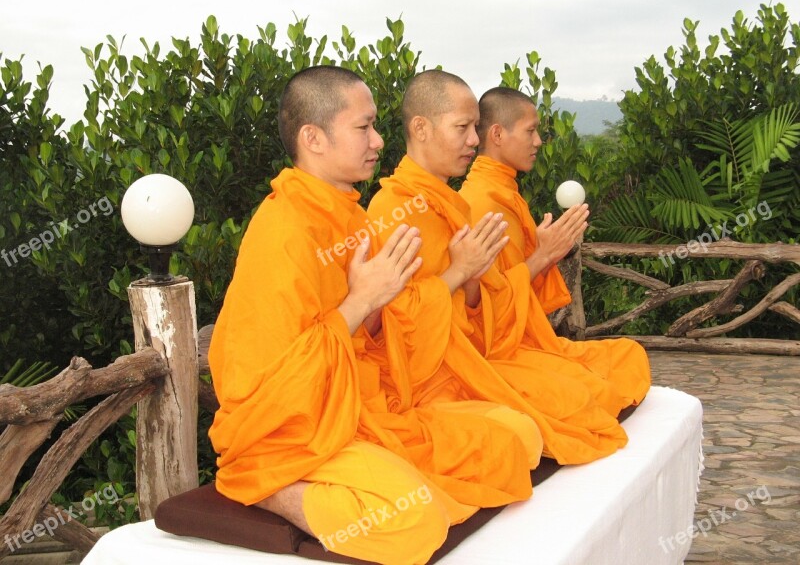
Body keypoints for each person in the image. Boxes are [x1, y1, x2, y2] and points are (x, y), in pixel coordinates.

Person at [207, 66, 536, 565]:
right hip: (291, 434)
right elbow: (262, 384)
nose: (379, 141)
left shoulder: (352, 217)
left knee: (513, 446)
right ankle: (266, 487)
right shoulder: (284, 232)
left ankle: (379, 473)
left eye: (375, 126)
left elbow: (391, 341)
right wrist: (363, 301)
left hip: (367, 409)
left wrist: (395, 299)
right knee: (414, 521)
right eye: (363, 128)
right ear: (313, 138)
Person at [367, 70, 629, 466]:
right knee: (543, 423)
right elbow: (400, 329)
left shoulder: (452, 204)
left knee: (604, 379)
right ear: (420, 128)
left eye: (475, 127)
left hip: (472, 360)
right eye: (463, 128)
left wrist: (474, 276)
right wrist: (466, 272)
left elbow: (484, 311)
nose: (475, 139)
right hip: (429, 382)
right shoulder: (394, 210)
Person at [459, 87, 650, 410]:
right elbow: (486, 319)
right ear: (497, 134)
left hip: (526, 342)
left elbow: (516, 291)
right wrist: (542, 256)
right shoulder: (481, 202)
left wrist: (548, 253)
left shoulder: (505, 192)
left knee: (629, 354)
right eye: (530, 131)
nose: (538, 142)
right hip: (497, 355)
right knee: (592, 393)